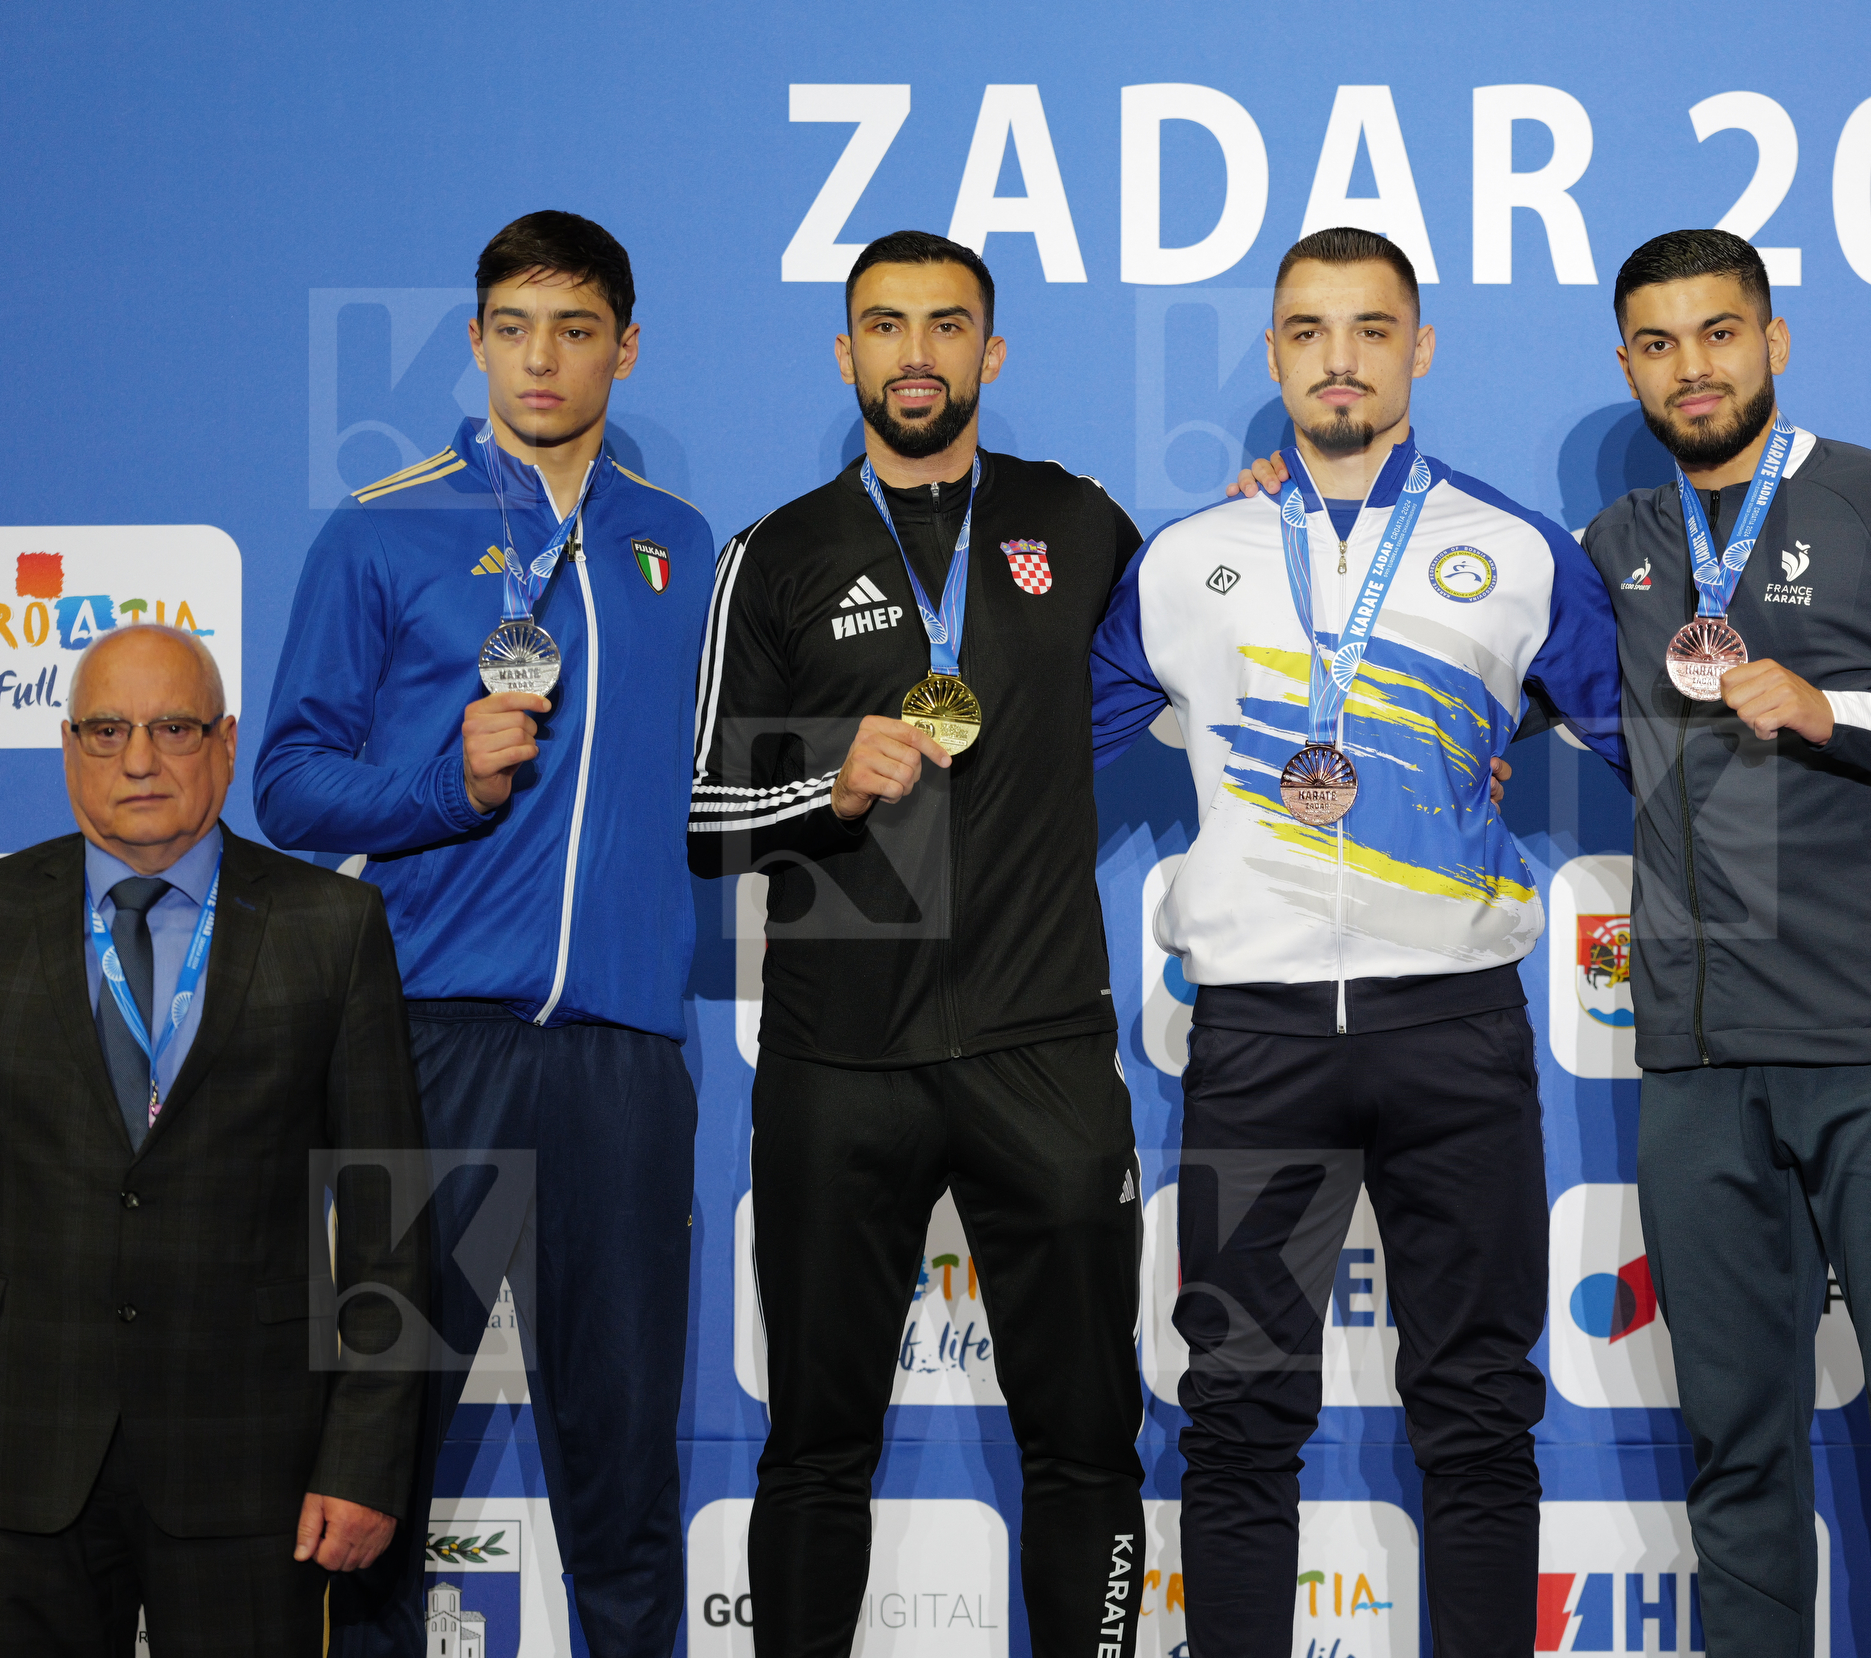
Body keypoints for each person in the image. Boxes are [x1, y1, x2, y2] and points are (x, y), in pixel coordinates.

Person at [1093, 226, 1629, 1658]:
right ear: (1274, 354)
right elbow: (1034, 764)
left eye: (1373, 329)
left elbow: (1671, 752)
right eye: (1310, 329)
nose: (1341, 357)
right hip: (1258, 1030)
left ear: (1420, 349)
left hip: (1455, 1022)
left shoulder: (1514, 549)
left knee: (1475, 1405)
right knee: (1239, 1408)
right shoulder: (1186, 558)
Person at [1572, 228, 1871, 1658]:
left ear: (1774, 341)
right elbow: (1467, 619)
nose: (1693, 368)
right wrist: (1289, 492)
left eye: (1719, 334)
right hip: (1700, 1057)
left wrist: (1835, 710)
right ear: (1628, 368)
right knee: (1734, 1451)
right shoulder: (1618, 547)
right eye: (1659, 344)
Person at [256, 210, 714, 1656]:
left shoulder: (678, 542)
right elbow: (285, 781)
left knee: (629, 1477)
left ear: (625, 349)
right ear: (475, 339)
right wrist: (439, 786)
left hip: (625, 1063)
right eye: (514, 327)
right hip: (424, 1049)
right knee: (377, 1465)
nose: (543, 358)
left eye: (577, 331)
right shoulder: (384, 526)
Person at [687, 229, 1147, 1658]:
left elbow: (1209, 645)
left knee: (1087, 1443)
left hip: (1043, 1048)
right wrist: (826, 778)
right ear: (845, 353)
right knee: (817, 1448)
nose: (916, 354)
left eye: (948, 327)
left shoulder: (1080, 523)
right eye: (884, 326)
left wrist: (1259, 518)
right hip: (841, 1063)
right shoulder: (776, 552)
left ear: (990, 355)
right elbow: (709, 816)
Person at [0, 624, 428, 1656]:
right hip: (24, 1463)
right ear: (67, 748)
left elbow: (393, 1221)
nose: (138, 759)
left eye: (172, 727)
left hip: (257, 1470)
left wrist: (365, 1459)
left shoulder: (333, 923)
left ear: (226, 744)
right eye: (105, 730)